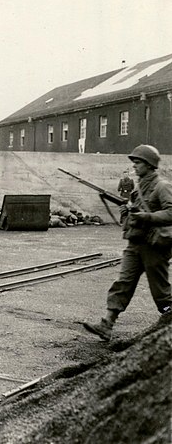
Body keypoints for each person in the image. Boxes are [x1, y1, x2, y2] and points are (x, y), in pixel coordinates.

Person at [83, 144, 172, 341]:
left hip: (154, 246)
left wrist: (147, 217)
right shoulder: (139, 187)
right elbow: (136, 211)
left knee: (160, 290)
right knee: (123, 282)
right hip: (135, 243)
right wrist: (127, 211)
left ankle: (169, 321)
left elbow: (171, 212)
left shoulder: (161, 186)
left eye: (138, 163)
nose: (135, 167)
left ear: (149, 165)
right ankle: (107, 324)